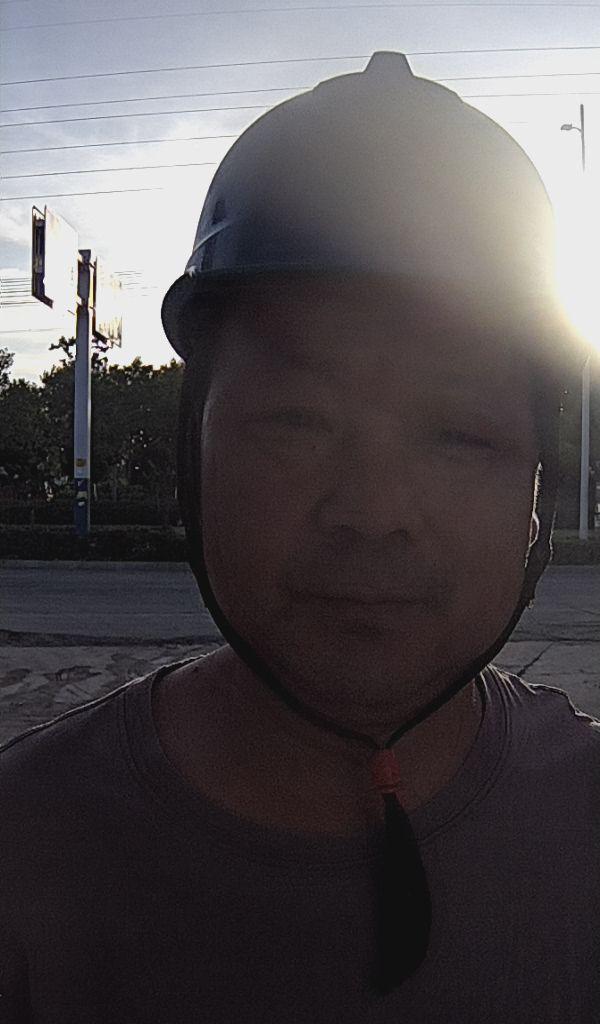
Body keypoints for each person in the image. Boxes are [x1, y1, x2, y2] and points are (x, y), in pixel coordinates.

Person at [1, 51, 598, 1022]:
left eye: (460, 434)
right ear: (195, 453)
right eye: (295, 420)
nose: (373, 509)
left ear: (540, 482)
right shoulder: (26, 849)